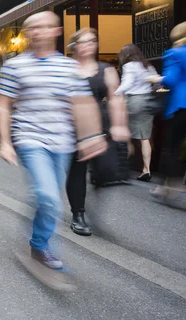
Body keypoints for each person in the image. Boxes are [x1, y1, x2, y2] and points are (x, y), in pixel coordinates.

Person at [0, 12, 106, 270]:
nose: (39, 32)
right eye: (33, 28)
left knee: (48, 198)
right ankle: (40, 245)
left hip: (63, 143)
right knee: (47, 195)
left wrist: (92, 135)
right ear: (27, 33)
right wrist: (5, 141)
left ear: (56, 31)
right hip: (30, 139)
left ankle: (36, 237)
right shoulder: (15, 66)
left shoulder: (69, 68)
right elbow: (3, 104)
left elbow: (83, 103)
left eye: (45, 27)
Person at [64, 29, 130, 236]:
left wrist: (119, 125)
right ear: (74, 46)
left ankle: (94, 187)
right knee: (77, 171)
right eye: (82, 42)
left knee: (107, 170)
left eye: (92, 41)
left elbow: (116, 98)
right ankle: (78, 214)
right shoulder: (67, 70)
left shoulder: (106, 70)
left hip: (101, 125)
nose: (88, 45)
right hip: (74, 125)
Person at [149, 22, 186, 200]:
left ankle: (171, 184)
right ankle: (167, 186)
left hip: (180, 107)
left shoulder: (174, 53)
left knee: (171, 146)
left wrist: (155, 77)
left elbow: (170, 80)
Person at [115, 45, 159, 181]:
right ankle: (147, 169)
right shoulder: (147, 66)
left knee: (126, 134)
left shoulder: (129, 66)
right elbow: (158, 83)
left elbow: (127, 83)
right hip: (147, 101)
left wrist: (115, 93)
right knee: (144, 137)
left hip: (134, 101)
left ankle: (122, 167)